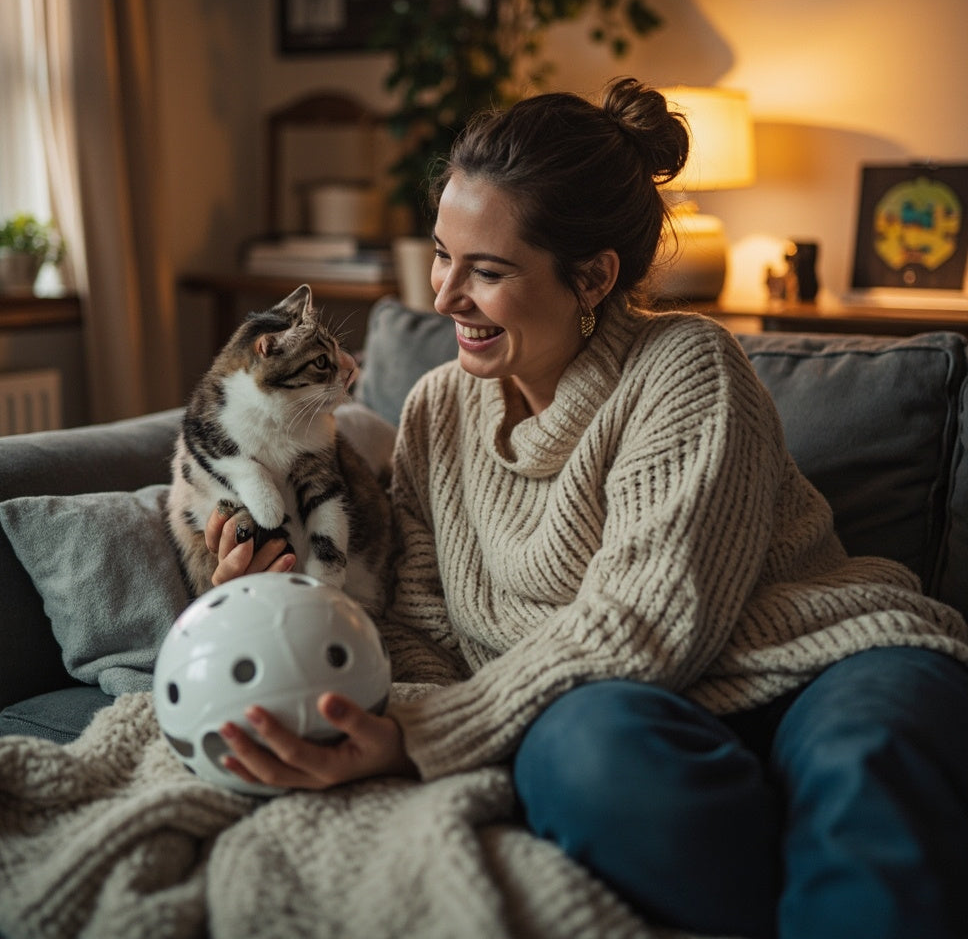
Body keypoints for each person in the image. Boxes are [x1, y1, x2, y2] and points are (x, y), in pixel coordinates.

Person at [206, 78, 968, 939]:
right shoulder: (433, 408)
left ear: (594, 276)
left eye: (487, 270)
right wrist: (276, 610)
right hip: (618, 706)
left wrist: (426, 732)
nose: (446, 295)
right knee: (585, 754)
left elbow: (644, 623)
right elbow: (422, 622)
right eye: (441, 254)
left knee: (870, 758)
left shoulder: (687, 368)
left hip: (823, 661)